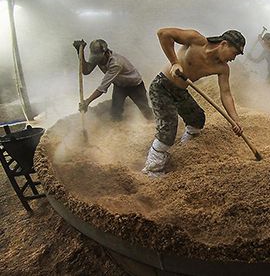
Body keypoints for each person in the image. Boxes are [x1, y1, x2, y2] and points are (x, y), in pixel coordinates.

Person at [142, 28, 245, 177]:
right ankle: (152, 168)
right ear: (224, 44)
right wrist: (174, 63)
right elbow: (163, 34)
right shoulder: (196, 40)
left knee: (197, 119)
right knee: (169, 127)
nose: (234, 58)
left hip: (180, 91)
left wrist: (235, 120)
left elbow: (226, 93)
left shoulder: (222, 68)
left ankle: (185, 147)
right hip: (161, 87)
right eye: (234, 53)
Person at [73, 39, 153, 121]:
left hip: (135, 85)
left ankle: (156, 124)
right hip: (120, 86)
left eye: (99, 58)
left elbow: (103, 87)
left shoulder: (116, 63)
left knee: (145, 110)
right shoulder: (97, 58)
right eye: (96, 58)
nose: (98, 60)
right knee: (115, 113)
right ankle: (119, 130)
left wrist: (87, 102)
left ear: (106, 52)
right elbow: (86, 71)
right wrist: (80, 53)